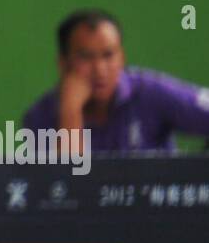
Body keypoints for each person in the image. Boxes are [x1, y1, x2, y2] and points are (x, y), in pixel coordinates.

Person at [22, 9, 209, 154]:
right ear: (63, 63)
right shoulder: (40, 117)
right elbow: (64, 190)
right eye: (86, 57)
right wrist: (70, 112)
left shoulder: (152, 92)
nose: (100, 70)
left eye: (108, 55)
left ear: (122, 57)